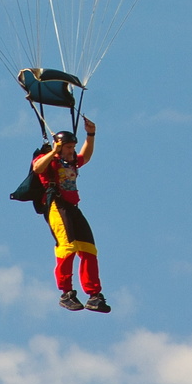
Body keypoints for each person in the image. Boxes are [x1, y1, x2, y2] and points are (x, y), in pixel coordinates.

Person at [32, 117, 111, 313]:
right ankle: (66, 293)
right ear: (59, 147)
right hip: (57, 206)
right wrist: (54, 152)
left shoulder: (72, 161)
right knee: (67, 247)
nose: (71, 150)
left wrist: (90, 135)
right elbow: (37, 168)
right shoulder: (49, 160)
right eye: (68, 147)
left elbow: (86, 155)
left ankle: (94, 295)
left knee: (89, 249)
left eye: (73, 147)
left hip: (73, 207)